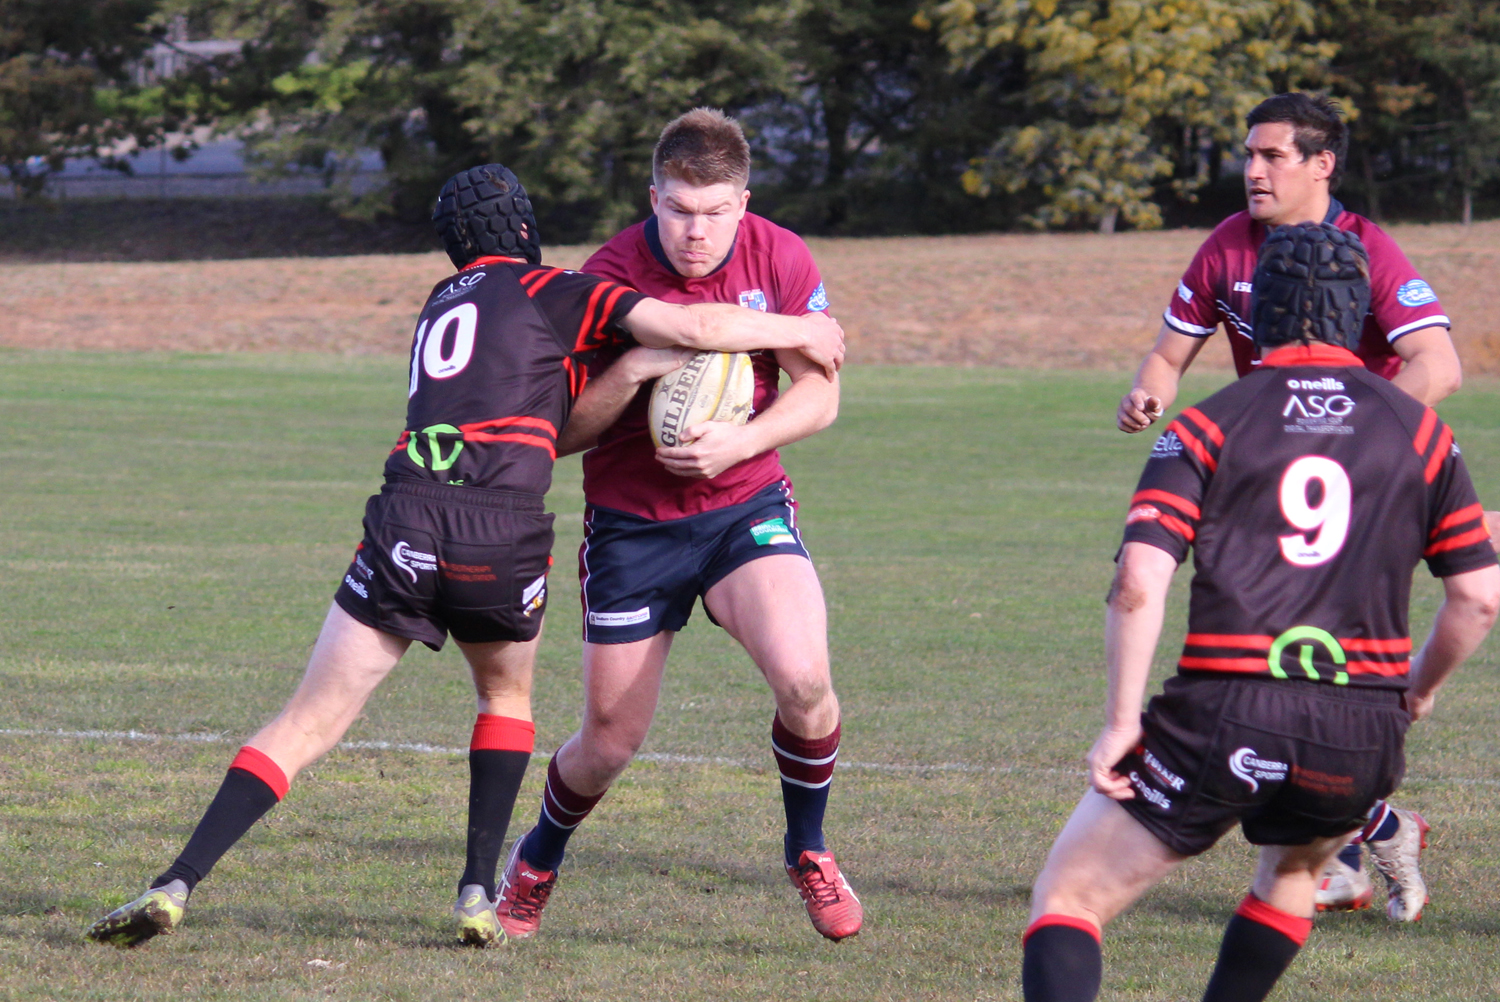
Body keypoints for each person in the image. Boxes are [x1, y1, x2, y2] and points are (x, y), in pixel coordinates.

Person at [84, 162, 846, 949]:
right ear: (527, 229)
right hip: (499, 531)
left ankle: (176, 880)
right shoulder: (561, 288)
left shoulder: (439, 303)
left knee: (308, 719)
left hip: (406, 514)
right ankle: (478, 892)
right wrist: (799, 330)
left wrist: (636, 374)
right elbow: (688, 329)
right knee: (504, 700)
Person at [1022, 222, 1499, 1002]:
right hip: (1361, 728)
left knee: (1070, 898)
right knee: (1290, 875)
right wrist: (1415, 691)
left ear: (1257, 312)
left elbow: (1140, 580)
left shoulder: (1209, 423)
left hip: (1227, 707)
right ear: (1358, 314)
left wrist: (1120, 721)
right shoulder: (1425, 434)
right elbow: (1479, 596)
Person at [491, 108, 862, 943]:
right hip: (632, 529)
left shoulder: (780, 255)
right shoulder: (609, 274)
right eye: (681, 210)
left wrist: (741, 442)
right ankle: (538, 857)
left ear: (744, 202)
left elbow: (821, 394)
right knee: (608, 743)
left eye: (716, 211)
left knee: (806, 681)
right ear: (653, 197)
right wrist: (631, 368)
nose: (698, 232)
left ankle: (808, 849)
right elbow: (564, 433)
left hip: (744, 508)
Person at [1115, 92, 1461, 919]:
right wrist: (1148, 392)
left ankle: (1359, 836)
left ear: (1321, 165)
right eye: (1249, 154)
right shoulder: (1228, 244)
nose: (1254, 170)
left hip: (1352, 487)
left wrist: (1355, 436)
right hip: (1269, 477)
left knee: (1283, 670)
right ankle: (1366, 834)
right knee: (1274, 667)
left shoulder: (1365, 248)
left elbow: (1438, 365)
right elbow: (1167, 356)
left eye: (1272, 155)